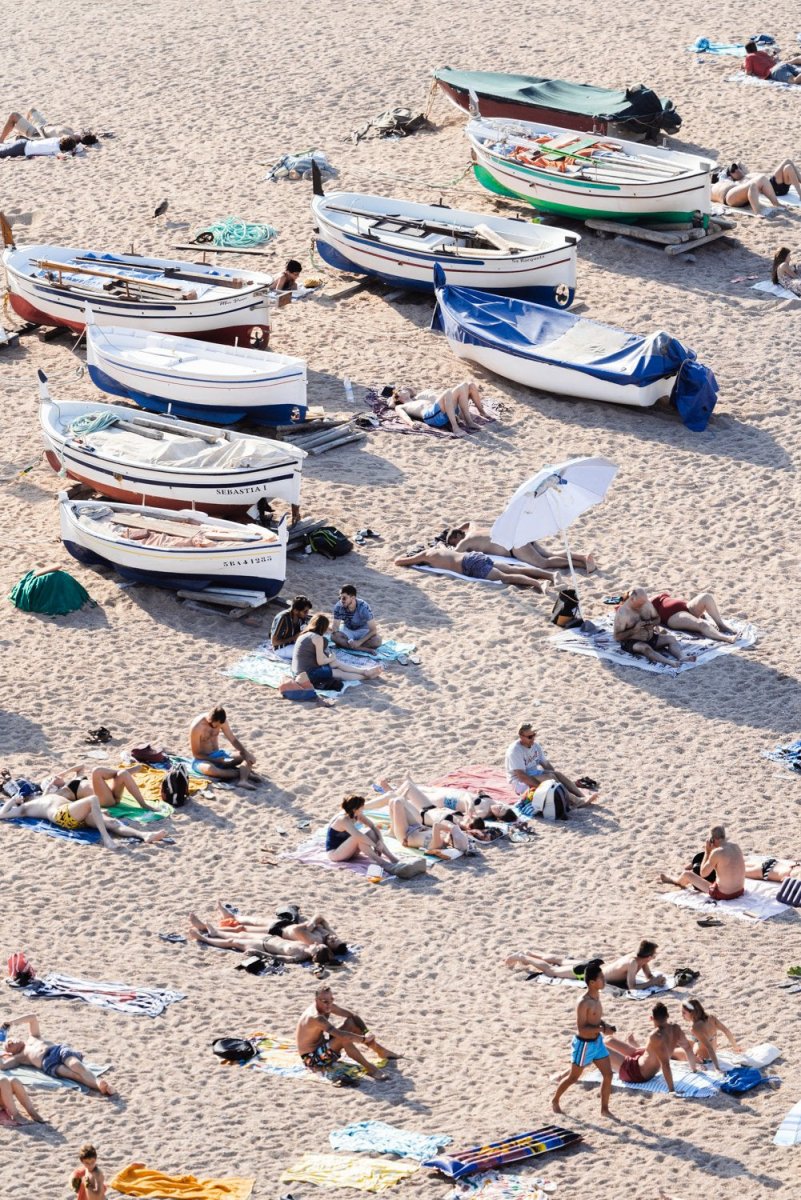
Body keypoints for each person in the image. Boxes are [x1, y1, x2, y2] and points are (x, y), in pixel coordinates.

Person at [296, 986, 400, 1083]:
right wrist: (363, 1039)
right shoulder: (316, 1017)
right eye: (325, 1001)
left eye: (332, 1000)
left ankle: (380, 1051)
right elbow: (340, 1035)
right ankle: (370, 1068)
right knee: (343, 1038)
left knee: (351, 1022)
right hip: (311, 1059)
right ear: (316, 1000)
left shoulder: (327, 1006)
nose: (329, 1004)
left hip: (323, 1048)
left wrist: (366, 1031)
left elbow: (352, 1015)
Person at [0, 790, 170, 849]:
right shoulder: (24, 808)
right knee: (92, 799)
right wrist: (12, 801)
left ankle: (143, 835)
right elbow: (2, 814)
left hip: (73, 816)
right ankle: (107, 840)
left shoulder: (44, 797)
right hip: (62, 816)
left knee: (111, 822)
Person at [551, 961, 613, 1116]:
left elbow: (595, 1020)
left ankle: (604, 1110)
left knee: (608, 1074)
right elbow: (582, 1029)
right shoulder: (583, 1002)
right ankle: (555, 1100)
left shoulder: (597, 996)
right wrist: (602, 1028)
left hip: (597, 1043)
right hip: (584, 1045)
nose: (604, 980)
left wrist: (605, 1026)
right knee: (573, 1078)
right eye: (601, 978)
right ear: (592, 983)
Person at [0, 1014, 115, 1095]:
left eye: (10, 1040)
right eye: (9, 1045)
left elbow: (33, 1018)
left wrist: (12, 1022)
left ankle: (99, 1083)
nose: (10, 1042)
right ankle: (101, 1086)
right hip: (49, 1064)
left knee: (77, 1066)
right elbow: (3, 1066)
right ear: (11, 1053)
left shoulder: (33, 1037)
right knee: (74, 1075)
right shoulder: (19, 1057)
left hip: (58, 1051)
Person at [443, 521, 595, 579]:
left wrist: (445, 546)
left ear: (458, 536)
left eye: (453, 541)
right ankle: (582, 556)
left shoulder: (466, 540)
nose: (454, 544)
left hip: (513, 546)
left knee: (543, 563)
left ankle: (582, 564)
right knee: (550, 554)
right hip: (516, 536)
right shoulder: (474, 530)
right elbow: (469, 522)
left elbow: (455, 553)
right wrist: (457, 528)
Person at [325, 794, 424, 878]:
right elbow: (358, 835)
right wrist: (375, 846)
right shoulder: (343, 819)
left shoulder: (357, 815)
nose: (363, 808)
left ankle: (393, 859)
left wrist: (380, 841)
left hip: (349, 850)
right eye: (362, 806)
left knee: (370, 832)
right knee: (359, 837)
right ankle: (383, 864)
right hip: (336, 853)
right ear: (355, 809)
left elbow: (373, 826)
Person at [605, 1003, 699, 1089]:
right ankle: (630, 1045)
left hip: (636, 1073)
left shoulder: (655, 1036)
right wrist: (694, 1070)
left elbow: (665, 1065)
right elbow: (687, 1048)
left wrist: (671, 1090)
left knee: (599, 1048)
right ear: (667, 1016)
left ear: (651, 1018)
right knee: (608, 1040)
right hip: (641, 1059)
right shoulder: (676, 1029)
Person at [505, 941, 665, 990]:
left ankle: (531, 952)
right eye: (654, 955)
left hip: (595, 966)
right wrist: (653, 982)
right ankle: (523, 957)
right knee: (551, 970)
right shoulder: (632, 963)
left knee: (559, 960)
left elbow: (649, 976)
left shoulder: (640, 960)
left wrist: (655, 979)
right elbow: (632, 987)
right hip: (588, 972)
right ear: (649, 956)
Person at [187, 912, 335, 963]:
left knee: (232, 942)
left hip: (262, 946)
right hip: (267, 938)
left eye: (319, 947)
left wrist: (258, 953)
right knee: (240, 933)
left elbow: (278, 958)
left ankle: (203, 938)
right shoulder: (306, 945)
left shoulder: (300, 955)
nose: (317, 944)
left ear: (315, 953)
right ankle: (214, 932)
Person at [505, 722, 596, 806]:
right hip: (520, 782)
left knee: (556, 775)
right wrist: (540, 786)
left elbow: (546, 764)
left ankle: (581, 796)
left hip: (533, 774)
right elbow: (521, 776)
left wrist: (557, 777)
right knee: (550, 780)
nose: (533, 738)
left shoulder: (535, 746)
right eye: (529, 737)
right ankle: (576, 801)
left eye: (534, 735)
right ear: (521, 736)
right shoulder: (515, 751)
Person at [395, 545, 547, 590]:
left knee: (505, 577)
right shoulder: (438, 549)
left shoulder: (425, 556)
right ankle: (550, 576)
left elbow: (399, 562)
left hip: (469, 565)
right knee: (514, 569)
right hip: (473, 556)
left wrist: (411, 558)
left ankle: (537, 583)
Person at [292, 614, 383, 688]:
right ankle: (366, 676)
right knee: (339, 673)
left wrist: (331, 660)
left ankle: (364, 671)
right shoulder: (317, 638)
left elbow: (315, 656)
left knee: (335, 663)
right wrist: (331, 658)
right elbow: (320, 662)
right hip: (307, 674)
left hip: (298, 671)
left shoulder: (304, 634)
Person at [660, 825, 746, 901]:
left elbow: (703, 873)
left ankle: (673, 880)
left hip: (724, 894)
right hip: (740, 891)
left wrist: (707, 852)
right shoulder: (736, 846)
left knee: (687, 874)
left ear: (713, 839)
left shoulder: (717, 852)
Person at [613, 588, 693, 665]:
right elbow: (617, 636)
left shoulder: (646, 604)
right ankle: (669, 662)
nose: (642, 605)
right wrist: (634, 630)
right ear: (632, 599)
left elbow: (657, 618)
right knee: (645, 648)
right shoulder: (622, 613)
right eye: (640, 604)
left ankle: (682, 657)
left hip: (651, 637)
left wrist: (651, 624)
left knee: (671, 639)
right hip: (632, 641)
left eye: (644, 602)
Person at [387, 380, 491, 436]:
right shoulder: (401, 406)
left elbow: (412, 391)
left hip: (440, 411)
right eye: (400, 391)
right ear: (398, 398)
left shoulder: (417, 399)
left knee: (466, 385)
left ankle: (469, 421)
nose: (403, 389)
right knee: (447, 392)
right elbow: (396, 409)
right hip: (432, 417)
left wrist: (407, 391)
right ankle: (455, 428)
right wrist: (411, 424)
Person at [189, 706, 259, 788]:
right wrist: (215, 760)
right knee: (210, 769)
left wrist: (245, 752)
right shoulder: (197, 727)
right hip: (203, 759)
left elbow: (233, 739)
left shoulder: (222, 721)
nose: (216, 728)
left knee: (248, 757)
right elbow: (196, 754)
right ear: (209, 719)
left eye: (219, 726)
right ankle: (242, 772)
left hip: (219, 755)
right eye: (213, 726)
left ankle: (242, 780)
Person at [41, 764, 159, 811]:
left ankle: (143, 804)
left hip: (111, 794)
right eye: (52, 778)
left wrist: (64, 773)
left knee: (122, 775)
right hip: (103, 801)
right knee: (96, 771)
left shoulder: (73, 780)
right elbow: (43, 800)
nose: (55, 776)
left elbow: (81, 767)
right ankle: (123, 772)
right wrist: (50, 786)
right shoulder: (62, 792)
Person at [675, 999, 741, 1071]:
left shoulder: (695, 1028)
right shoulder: (711, 1018)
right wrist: (735, 1047)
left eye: (684, 1013)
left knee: (672, 1052)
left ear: (692, 1013)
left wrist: (717, 1068)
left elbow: (709, 1048)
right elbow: (727, 1031)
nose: (682, 1015)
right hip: (700, 1048)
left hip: (701, 1059)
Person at [650, 591, 738, 643]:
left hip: (686, 607)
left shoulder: (650, 598)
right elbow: (649, 620)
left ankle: (721, 625)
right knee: (701, 624)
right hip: (673, 616)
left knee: (706, 597)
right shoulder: (646, 606)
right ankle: (726, 638)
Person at [710, 163, 786, 215]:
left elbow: (739, 166)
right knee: (752, 185)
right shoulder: (712, 186)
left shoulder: (736, 181)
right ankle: (757, 212)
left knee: (762, 178)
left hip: (737, 194)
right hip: (728, 197)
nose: (737, 170)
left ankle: (776, 203)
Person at [332, 584, 381, 651]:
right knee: (334, 636)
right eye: (339, 598)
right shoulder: (339, 606)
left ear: (353, 597)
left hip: (363, 631)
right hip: (348, 630)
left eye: (344, 598)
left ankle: (348, 646)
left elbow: (373, 630)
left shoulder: (364, 607)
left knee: (377, 641)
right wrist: (336, 637)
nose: (341, 600)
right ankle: (362, 649)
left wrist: (359, 642)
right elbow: (335, 627)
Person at [270, 595, 312, 660]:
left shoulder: (301, 617)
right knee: (308, 654)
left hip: (293, 644)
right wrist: (294, 637)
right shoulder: (283, 618)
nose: (307, 613)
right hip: (281, 648)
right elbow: (274, 642)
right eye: (305, 611)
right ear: (295, 610)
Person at [0, 134, 78, 159]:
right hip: (22, 149)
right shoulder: (56, 149)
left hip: (24, 143)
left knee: (3, 147)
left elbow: (65, 137)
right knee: (1, 152)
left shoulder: (56, 140)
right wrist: (73, 151)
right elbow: (62, 157)